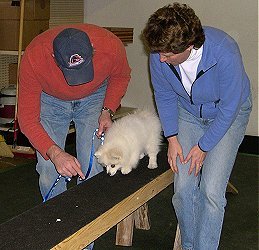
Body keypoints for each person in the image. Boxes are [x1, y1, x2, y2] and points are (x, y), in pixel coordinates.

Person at [142, 3, 252, 249]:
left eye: (167, 55)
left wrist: (203, 147)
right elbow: (164, 94)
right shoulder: (159, 54)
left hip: (228, 112)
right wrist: (172, 138)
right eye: (158, 52)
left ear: (188, 46)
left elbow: (229, 107)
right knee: (183, 188)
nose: (160, 59)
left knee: (211, 192)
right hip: (188, 113)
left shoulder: (224, 51)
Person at [18, 24, 131, 200]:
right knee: (49, 167)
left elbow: (120, 76)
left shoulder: (110, 46)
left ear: (92, 50)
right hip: (51, 98)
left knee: (94, 161)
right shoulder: (34, 57)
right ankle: (57, 216)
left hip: (94, 95)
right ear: (54, 57)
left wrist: (107, 109)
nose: (76, 83)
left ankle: (90, 215)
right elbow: (27, 120)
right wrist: (55, 153)